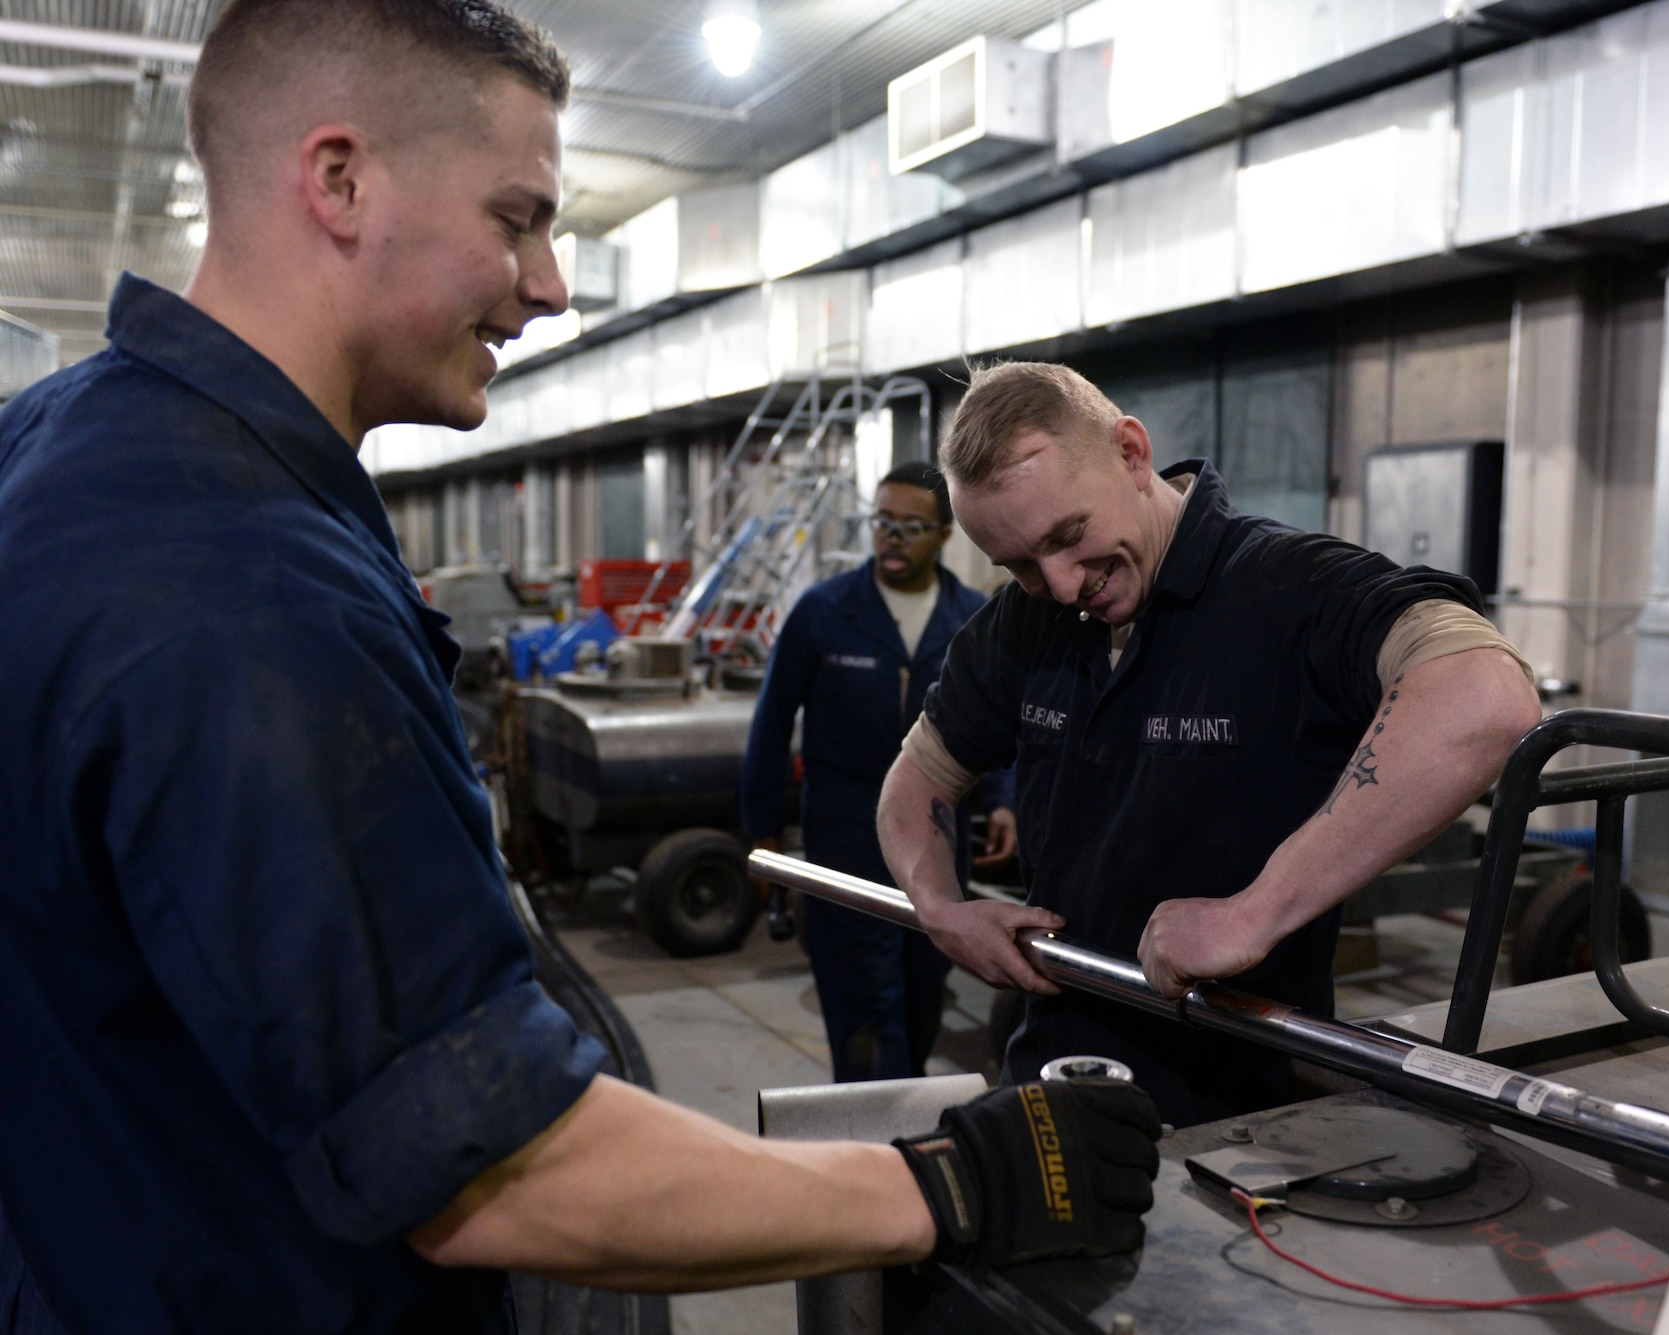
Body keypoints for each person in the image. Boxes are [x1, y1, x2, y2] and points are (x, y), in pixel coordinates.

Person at [0, 6, 1157, 1331]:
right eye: (518, 216)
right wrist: (953, 1180)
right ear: (339, 179)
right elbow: (496, 1167)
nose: (549, 282)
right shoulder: (237, 582)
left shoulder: (60, 447)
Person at [877, 362, 1544, 1128]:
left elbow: (1485, 696)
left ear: (1131, 453)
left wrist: (1252, 913)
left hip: (1244, 1120)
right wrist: (939, 905)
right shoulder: (1025, 626)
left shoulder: (1283, 590)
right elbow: (915, 780)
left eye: (1068, 536)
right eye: (1021, 564)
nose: (1061, 586)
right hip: (1056, 1083)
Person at [741, 461, 1016, 1083]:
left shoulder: (973, 619)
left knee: (924, 989)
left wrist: (1003, 799)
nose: (892, 537)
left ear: (946, 534)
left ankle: (903, 1119)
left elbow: (998, 721)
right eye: (882, 523)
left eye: (912, 526)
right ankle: (865, 1132)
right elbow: (772, 723)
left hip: (938, 838)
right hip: (844, 836)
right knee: (861, 1000)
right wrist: (761, 828)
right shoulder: (823, 612)